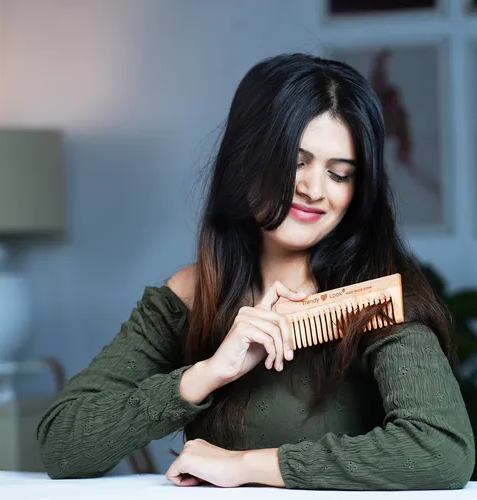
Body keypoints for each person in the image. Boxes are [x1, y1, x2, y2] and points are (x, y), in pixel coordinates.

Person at [37, 53, 475, 490]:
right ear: (248, 159)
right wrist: (208, 373)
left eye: (339, 174)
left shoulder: (377, 297)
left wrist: (245, 466)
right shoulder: (191, 293)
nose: (314, 189)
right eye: (296, 162)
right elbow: (63, 442)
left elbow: (441, 448)